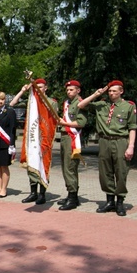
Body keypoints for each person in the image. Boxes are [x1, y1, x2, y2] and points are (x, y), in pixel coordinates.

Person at [78, 80, 137, 216]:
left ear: (121, 91)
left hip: (121, 141)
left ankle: (120, 202)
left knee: (121, 172)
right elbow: (81, 105)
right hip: (104, 141)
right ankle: (110, 201)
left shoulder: (128, 106)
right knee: (105, 172)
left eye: (114, 91)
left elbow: (132, 127)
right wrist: (96, 94)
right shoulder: (101, 105)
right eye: (109, 91)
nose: (111, 93)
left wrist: (131, 146)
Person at [10, 79, 58, 205]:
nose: (38, 89)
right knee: (32, 164)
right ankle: (33, 193)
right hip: (32, 139)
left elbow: (53, 120)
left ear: (46, 88)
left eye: (40, 87)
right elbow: (12, 104)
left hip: (44, 138)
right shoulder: (31, 102)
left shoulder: (52, 102)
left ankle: (42, 194)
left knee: (43, 164)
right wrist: (23, 91)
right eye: (36, 88)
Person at [55, 80, 87, 210]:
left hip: (73, 139)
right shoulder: (67, 103)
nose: (69, 92)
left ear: (78, 90)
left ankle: (73, 198)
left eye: (71, 90)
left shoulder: (80, 103)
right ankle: (71, 194)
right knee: (65, 166)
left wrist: (64, 124)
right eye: (67, 90)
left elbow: (81, 123)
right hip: (65, 138)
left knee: (70, 167)